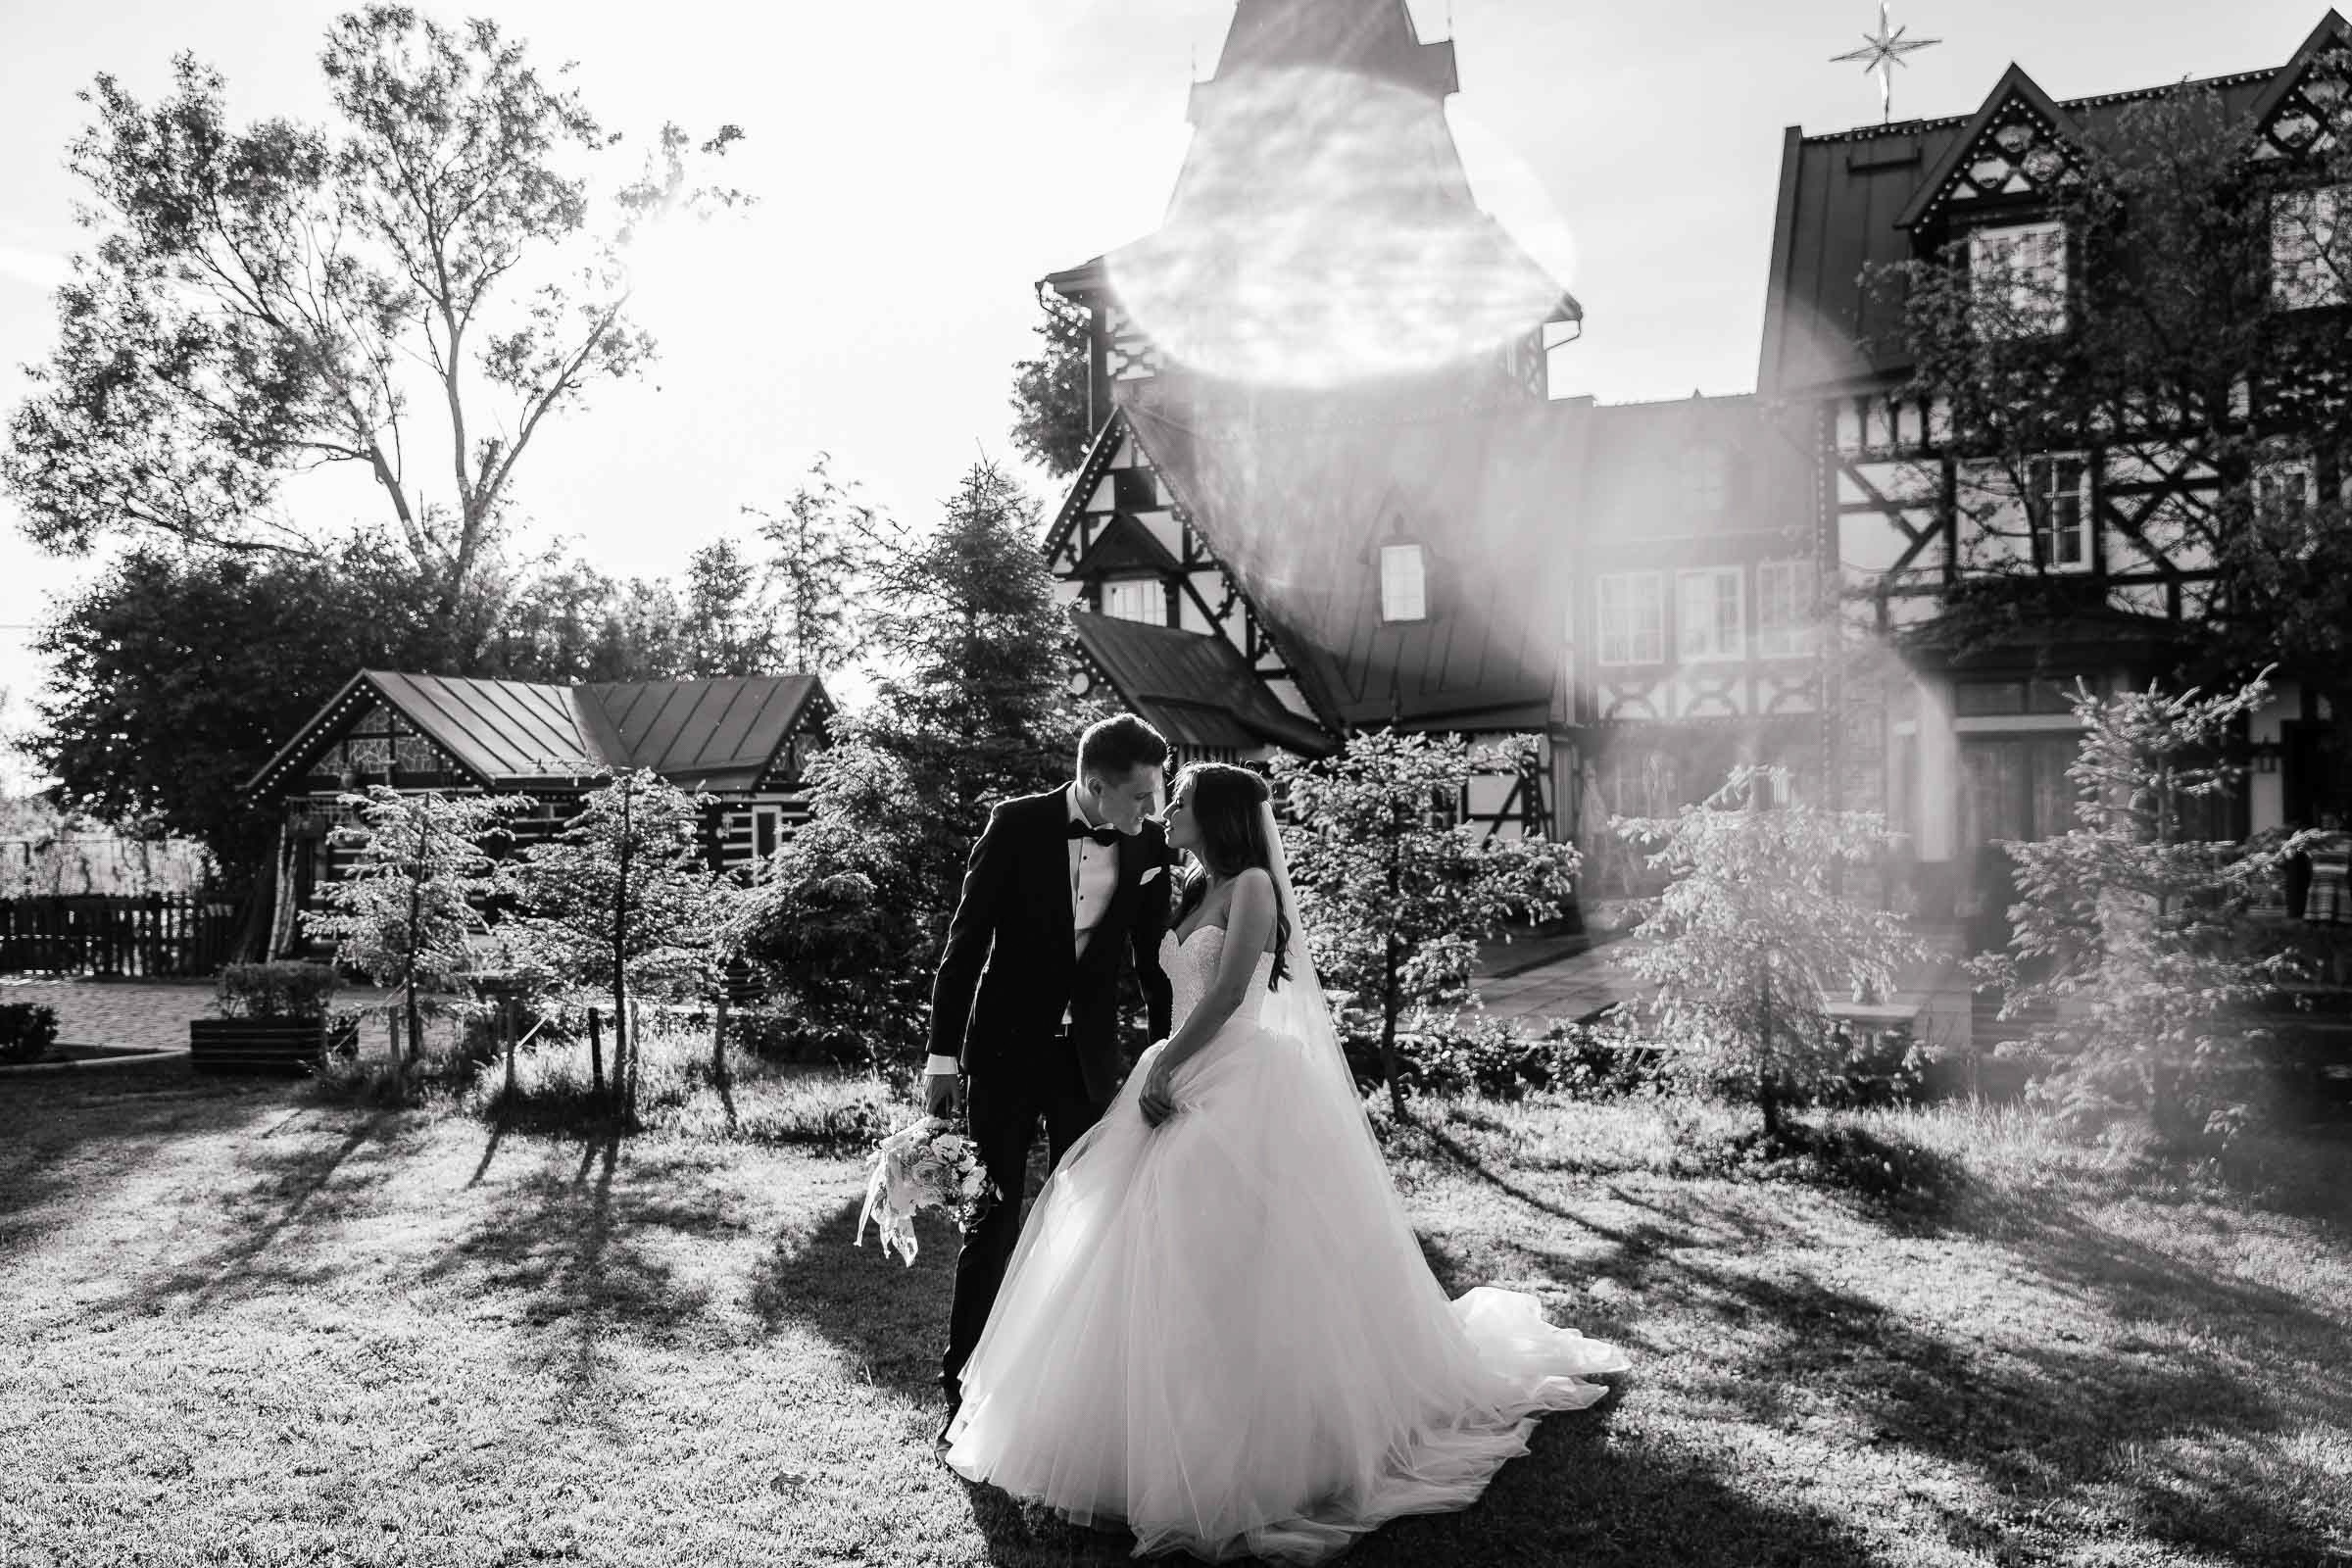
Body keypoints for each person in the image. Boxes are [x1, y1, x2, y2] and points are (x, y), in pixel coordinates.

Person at [943, 762, 1628, 1564]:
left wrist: (1165, 1069)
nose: (1167, 810)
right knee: (1139, 1250)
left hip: (1230, 1075)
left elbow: (1231, 991)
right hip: (1175, 1067)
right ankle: (1141, 1430)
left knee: (1231, 1256)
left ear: (1220, 815)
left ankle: (1254, 1438)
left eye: (1183, 800)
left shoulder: (1256, 889)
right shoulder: (1190, 884)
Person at [924, 714, 1175, 1445]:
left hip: (1088, 1063)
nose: (1150, 811)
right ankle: (962, 1389)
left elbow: (1154, 962)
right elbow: (964, 945)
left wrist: (1169, 1055)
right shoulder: (1017, 825)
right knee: (992, 1222)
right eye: (1138, 797)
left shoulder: (1150, 844)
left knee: (1089, 1222)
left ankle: (1070, 1401)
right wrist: (943, 1058)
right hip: (1003, 1055)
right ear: (1095, 787)